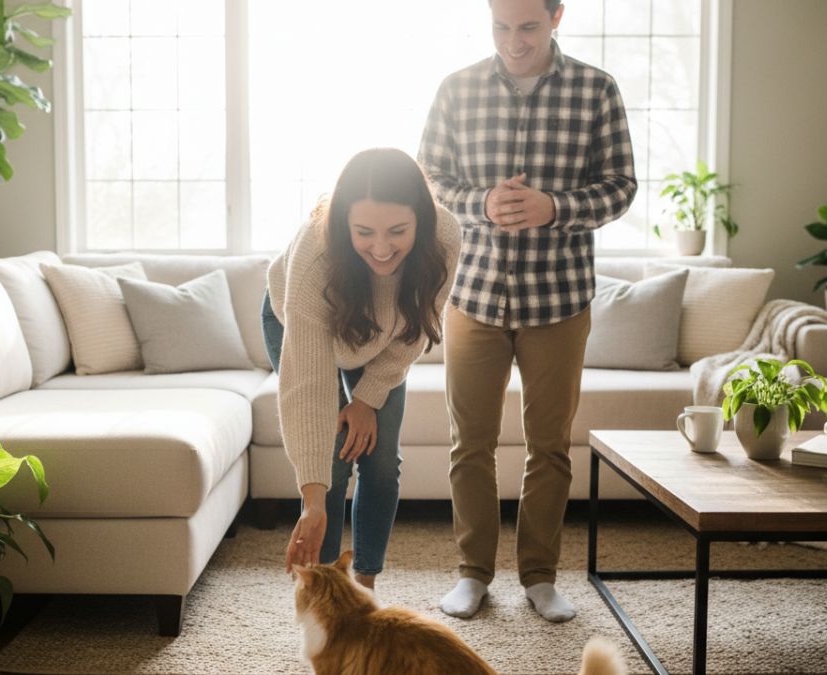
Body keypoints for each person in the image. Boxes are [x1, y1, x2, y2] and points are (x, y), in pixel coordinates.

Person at [417, 0, 637, 622]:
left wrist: (555, 207)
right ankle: (472, 574)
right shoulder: (455, 90)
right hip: (474, 295)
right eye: (501, 26)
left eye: (529, 27)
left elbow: (621, 185)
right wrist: (480, 201)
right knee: (470, 445)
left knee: (550, 446)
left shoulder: (597, 89)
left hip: (560, 298)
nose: (514, 42)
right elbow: (428, 179)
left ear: (557, 15)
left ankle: (540, 576)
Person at [263, 147, 461, 590]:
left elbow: (416, 329)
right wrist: (313, 501)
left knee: (380, 460)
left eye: (398, 231)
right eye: (364, 232)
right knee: (333, 460)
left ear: (422, 221)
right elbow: (309, 386)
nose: (382, 248)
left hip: (385, 339)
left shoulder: (445, 237)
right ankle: (325, 590)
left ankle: (364, 588)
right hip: (299, 326)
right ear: (343, 224)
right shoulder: (315, 262)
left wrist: (368, 399)